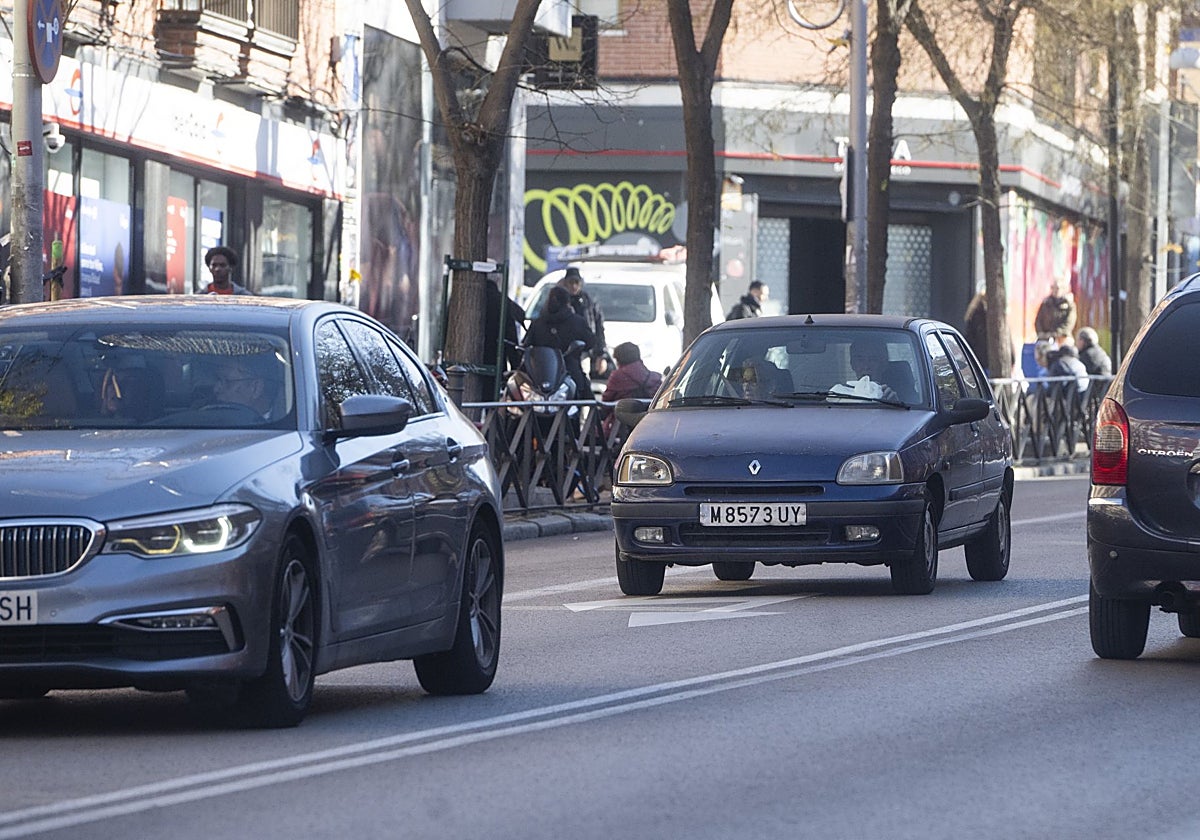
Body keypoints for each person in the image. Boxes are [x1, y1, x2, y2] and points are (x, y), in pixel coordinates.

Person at [526, 285, 596, 402]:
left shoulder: (538, 323)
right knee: (584, 397)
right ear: (568, 303)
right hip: (570, 370)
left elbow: (527, 344)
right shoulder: (577, 322)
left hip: (541, 374)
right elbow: (590, 342)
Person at [601, 342, 663, 436]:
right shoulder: (654, 377)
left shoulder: (618, 376)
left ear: (619, 359)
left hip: (620, 428)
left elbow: (606, 401)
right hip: (650, 425)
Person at [558, 267, 608, 377]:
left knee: (583, 379)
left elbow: (599, 328)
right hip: (561, 352)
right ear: (565, 283)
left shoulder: (588, 302)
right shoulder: (559, 300)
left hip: (583, 351)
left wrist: (601, 354)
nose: (574, 286)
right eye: (570, 282)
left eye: (576, 282)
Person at [483, 277, 526, 381]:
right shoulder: (502, 301)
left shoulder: (470, 300)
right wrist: (515, 364)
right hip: (496, 355)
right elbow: (511, 335)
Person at [848, 336, 911, 403]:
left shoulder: (905, 396)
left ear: (884, 364)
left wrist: (895, 404)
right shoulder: (843, 395)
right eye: (860, 360)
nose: (866, 366)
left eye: (873, 359)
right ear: (852, 364)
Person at [211, 357, 276, 419]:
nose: (216, 389)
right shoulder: (211, 420)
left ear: (256, 388)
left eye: (227, 382)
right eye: (217, 380)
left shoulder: (279, 423)